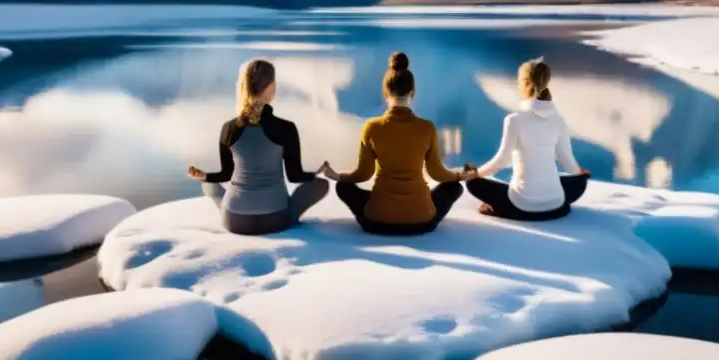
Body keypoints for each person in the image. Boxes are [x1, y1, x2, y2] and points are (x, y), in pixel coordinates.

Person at [320, 52, 474, 235]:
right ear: (412, 93)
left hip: (376, 221)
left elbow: (363, 174)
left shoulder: (372, 127)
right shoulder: (427, 128)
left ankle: (381, 206)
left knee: (344, 186)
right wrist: (459, 176)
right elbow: (437, 173)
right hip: (422, 221)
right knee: (453, 187)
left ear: (386, 92)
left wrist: (337, 176)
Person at [188, 58, 328, 235]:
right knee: (321, 184)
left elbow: (225, 174)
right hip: (275, 219)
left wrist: (204, 176)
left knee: (208, 185)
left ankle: (221, 200)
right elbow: (295, 176)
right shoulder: (286, 128)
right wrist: (315, 173)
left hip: (234, 220)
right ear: (270, 86)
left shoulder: (229, 128)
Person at [465, 58, 590, 221]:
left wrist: (476, 174)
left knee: (473, 183)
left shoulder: (514, 120)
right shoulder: (558, 120)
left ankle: (499, 207)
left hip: (523, 207)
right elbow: (567, 161)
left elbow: (502, 160)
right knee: (577, 182)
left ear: (525, 84)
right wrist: (580, 175)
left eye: (518, 82)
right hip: (557, 206)